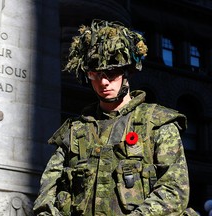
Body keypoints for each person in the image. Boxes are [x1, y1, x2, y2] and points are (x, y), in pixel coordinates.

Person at [33, 19, 198, 216]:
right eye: (95, 74)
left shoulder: (156, 124)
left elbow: (174, 191)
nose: (103, 82)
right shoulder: (74, 132)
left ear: (127, 71)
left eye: (111, 73)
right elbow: (47, 194)